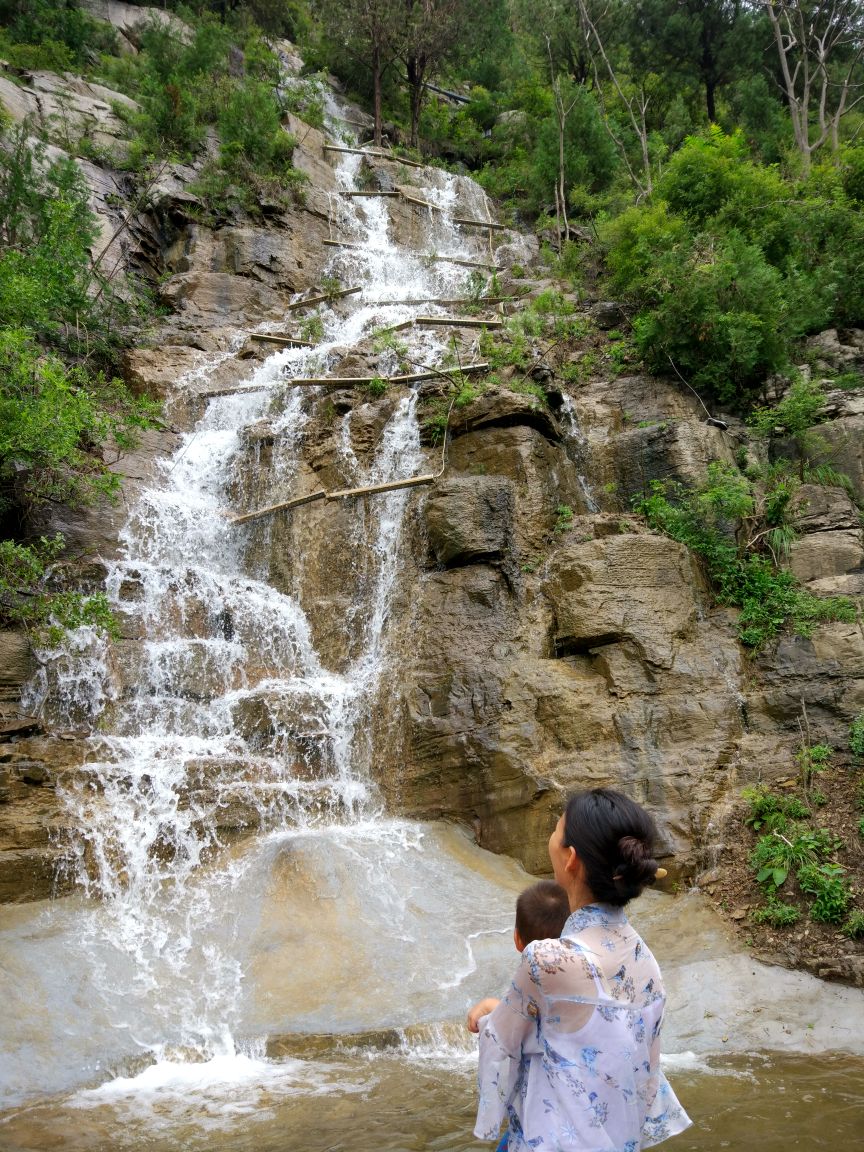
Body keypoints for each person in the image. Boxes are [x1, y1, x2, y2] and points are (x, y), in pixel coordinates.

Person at [467, 788, 691, 1152]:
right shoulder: (646, 961)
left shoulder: (547, 960)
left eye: (555, 831)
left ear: (571, 859)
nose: (550, 839)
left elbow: (501, 1043)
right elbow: (635, 1070)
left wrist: (491, 1013)